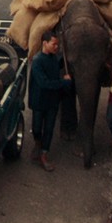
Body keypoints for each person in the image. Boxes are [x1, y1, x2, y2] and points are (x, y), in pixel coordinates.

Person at [28, 31, 72, 172]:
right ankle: (38, 143)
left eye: (58, 45)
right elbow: (44, 83)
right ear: (44, 43)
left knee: (49, 129)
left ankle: (44, 155)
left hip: (52, 102)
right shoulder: (37, 61)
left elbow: (60, 64)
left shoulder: (55, 59)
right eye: (54, 44)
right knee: (36, 127)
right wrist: (63, 82)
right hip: (39, 101)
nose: (56, 47)